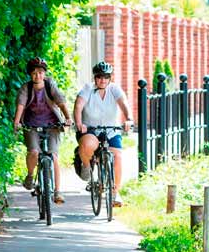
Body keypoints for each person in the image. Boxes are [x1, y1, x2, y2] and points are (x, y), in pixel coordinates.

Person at [12, 57, 73, 204]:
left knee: (54, 155)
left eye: (40, 72)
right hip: (31, 125)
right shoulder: (26, 88)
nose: (37, 75)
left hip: (52, 125)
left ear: (44, 74)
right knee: (33, 151)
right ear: (30, 75)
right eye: (33, 73)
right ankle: (30, 175)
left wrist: (68, 118)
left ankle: (57, 192)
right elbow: (21, 104)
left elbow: (60, 101)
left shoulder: (49, 85)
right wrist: (17, 122)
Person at [73, 61, 132, 207]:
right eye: (99, 77)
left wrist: (129, 119)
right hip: (90, 129)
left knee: (117, 156)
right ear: (95, 78)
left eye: (106, 77)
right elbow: (78, 105)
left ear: (110, 78)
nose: (102, 80)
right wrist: (79, 123)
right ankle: (86, 165)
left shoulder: (114, 89)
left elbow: (123, 103)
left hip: (111, 129)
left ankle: (115, 192)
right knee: (86, 145)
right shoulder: (87, 89)